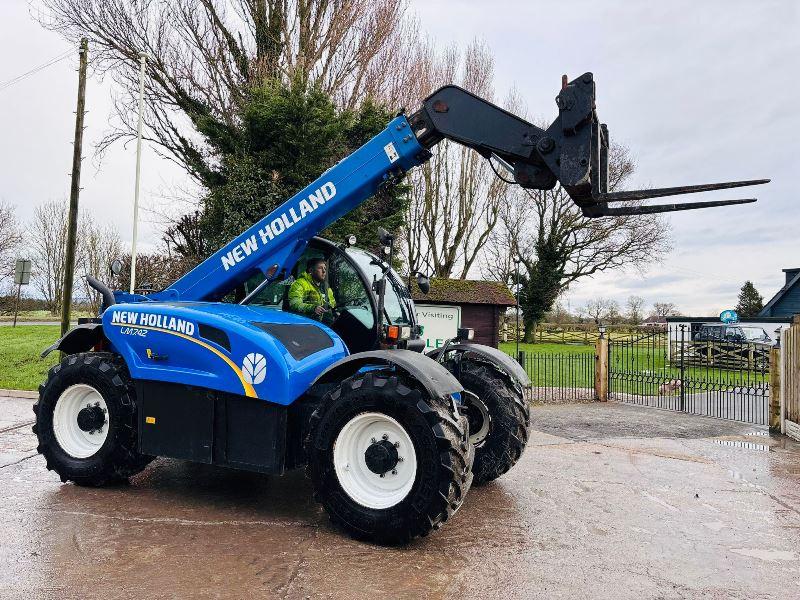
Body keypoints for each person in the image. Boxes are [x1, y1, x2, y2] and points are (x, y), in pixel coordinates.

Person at [288, 257, 336, 322]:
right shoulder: (299, 283)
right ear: (311, 270)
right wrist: (312, 308)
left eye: (325, 268)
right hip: (306, 324)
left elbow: (333, 304)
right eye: (320, 268)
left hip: (325, 326)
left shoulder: (326, 287)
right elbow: (294, 303)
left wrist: (335, 312)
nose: (324, 271)